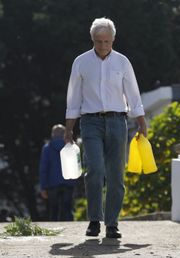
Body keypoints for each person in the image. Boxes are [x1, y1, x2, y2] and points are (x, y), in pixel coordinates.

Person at [64, 17, 146, 238]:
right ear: (92, 39)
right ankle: (94, 220)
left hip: (118, 122)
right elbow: (73, 98)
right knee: (95, 171)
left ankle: (112, 223)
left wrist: (141, 123)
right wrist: (69, 128)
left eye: (107, 41)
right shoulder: (81, 62)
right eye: (99, 41)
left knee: (116, 175)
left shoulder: (122, 62)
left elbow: (133, 94)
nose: (103, 46)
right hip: (90, 122)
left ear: (113, 40)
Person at [39, 124, 76, 221]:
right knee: (67, 209)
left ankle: (54, 230)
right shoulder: (71, 147)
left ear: (52, 134)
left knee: (53, 210)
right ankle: (70, 231)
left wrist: (43, 187)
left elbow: (43, 168)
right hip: (68, 182)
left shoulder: (47, 148)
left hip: (52, 183)